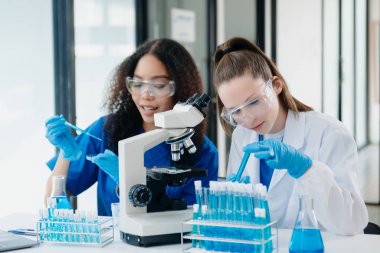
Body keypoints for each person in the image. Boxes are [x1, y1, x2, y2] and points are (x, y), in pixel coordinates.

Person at [45, 38, 218, 216]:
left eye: (158, 85)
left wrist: (127, 181)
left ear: (181, 88)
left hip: (169, 243)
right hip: (113, 243)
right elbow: (53, 201)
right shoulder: (107, 130)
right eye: (138, 84)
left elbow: (191, 220)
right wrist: (65, 155)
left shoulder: (204, 152)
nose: (146, 95)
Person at [212, 36, 368, 235]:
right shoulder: (242, 136)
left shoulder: (329, 133)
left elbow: (352, 222)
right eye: (236, 112)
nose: (248, 119)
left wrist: (306, 169)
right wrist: (236, 203)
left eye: (253, 102)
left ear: (276, 85)